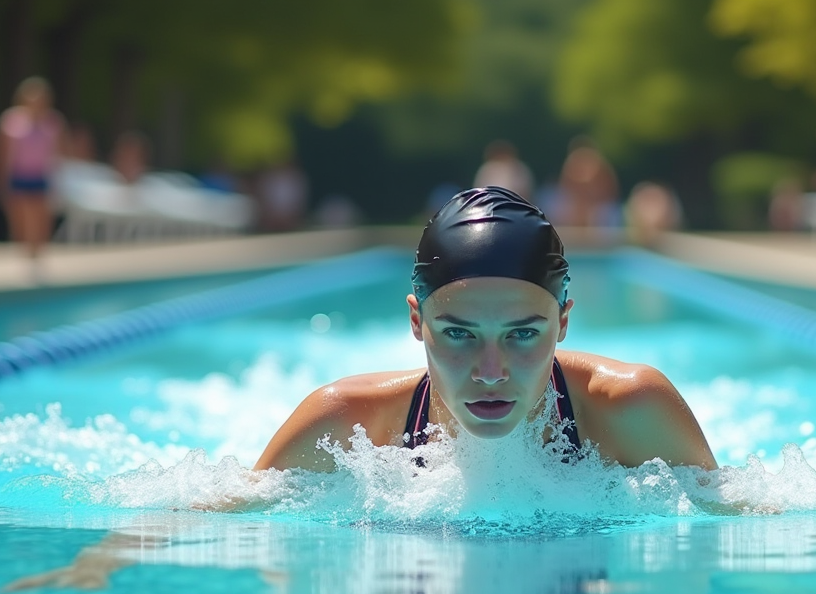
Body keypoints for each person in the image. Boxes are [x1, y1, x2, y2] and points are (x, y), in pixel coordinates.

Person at [255, 186, 718, 473]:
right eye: (460, 334)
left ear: (563, 322)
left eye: (522, 335)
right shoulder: (343, 425)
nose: (492, 372)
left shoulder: (633, 408)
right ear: (417, 321)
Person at [0, 77, 66, 260]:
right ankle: (23, 261)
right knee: (21, 224)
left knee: (42, 224)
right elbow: (0, 156)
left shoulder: (53, 122)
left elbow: (61, 154)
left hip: (42, 177)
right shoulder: (10, 121)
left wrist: (60, 183)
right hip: (19, 176)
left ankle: (38, 260)